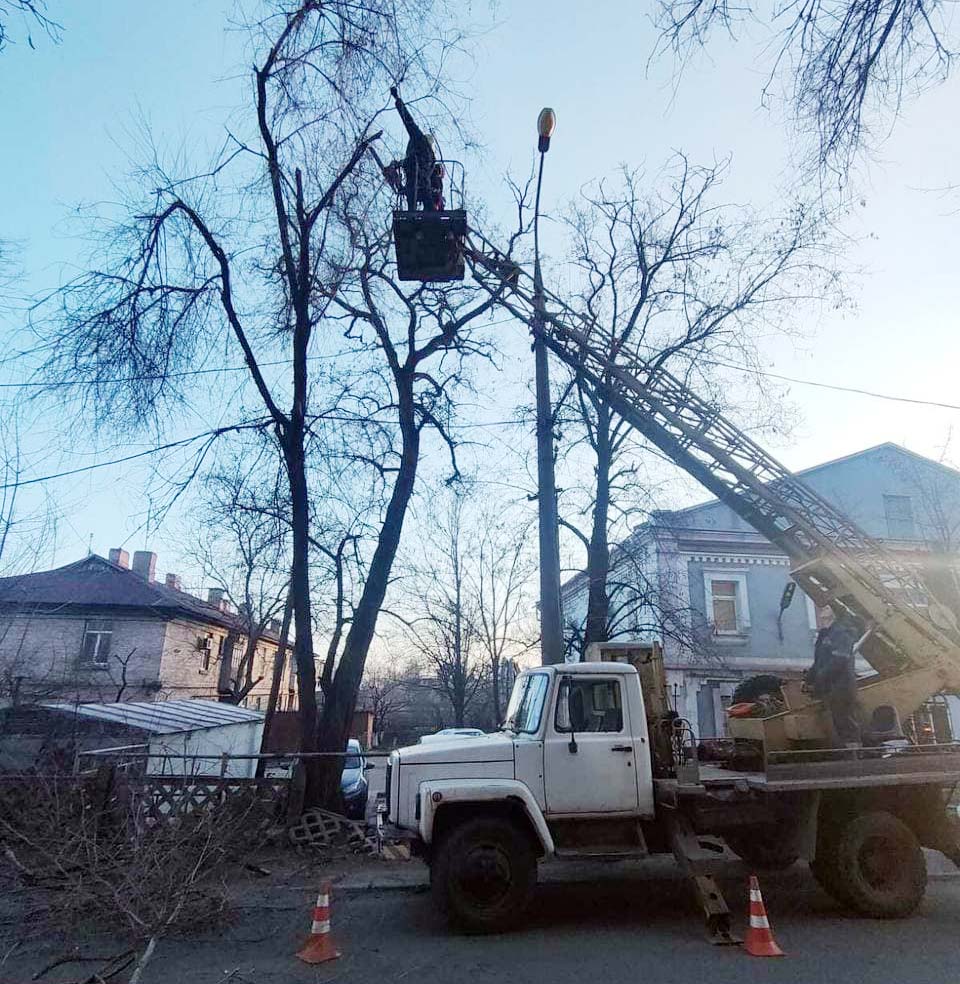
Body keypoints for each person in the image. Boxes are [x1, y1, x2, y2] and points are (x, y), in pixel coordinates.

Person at [805, 612, 865, 746]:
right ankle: (849, 753)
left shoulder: (842, 634)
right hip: (833, 685)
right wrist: (810, 677)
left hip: (840, 686)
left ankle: (854, 756)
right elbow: (820, 661)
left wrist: (819, 677)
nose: (821, 612)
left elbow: (839, 660)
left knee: (845, 721)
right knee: (838, 721)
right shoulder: (829, 634)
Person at [391, 85, 441, 212]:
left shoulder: (419, 140)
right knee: (427, 210)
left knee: (412, 211)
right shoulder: (431, 160)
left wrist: (398, 100)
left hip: (414, 184)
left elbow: (408, 121)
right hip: (423, 186)